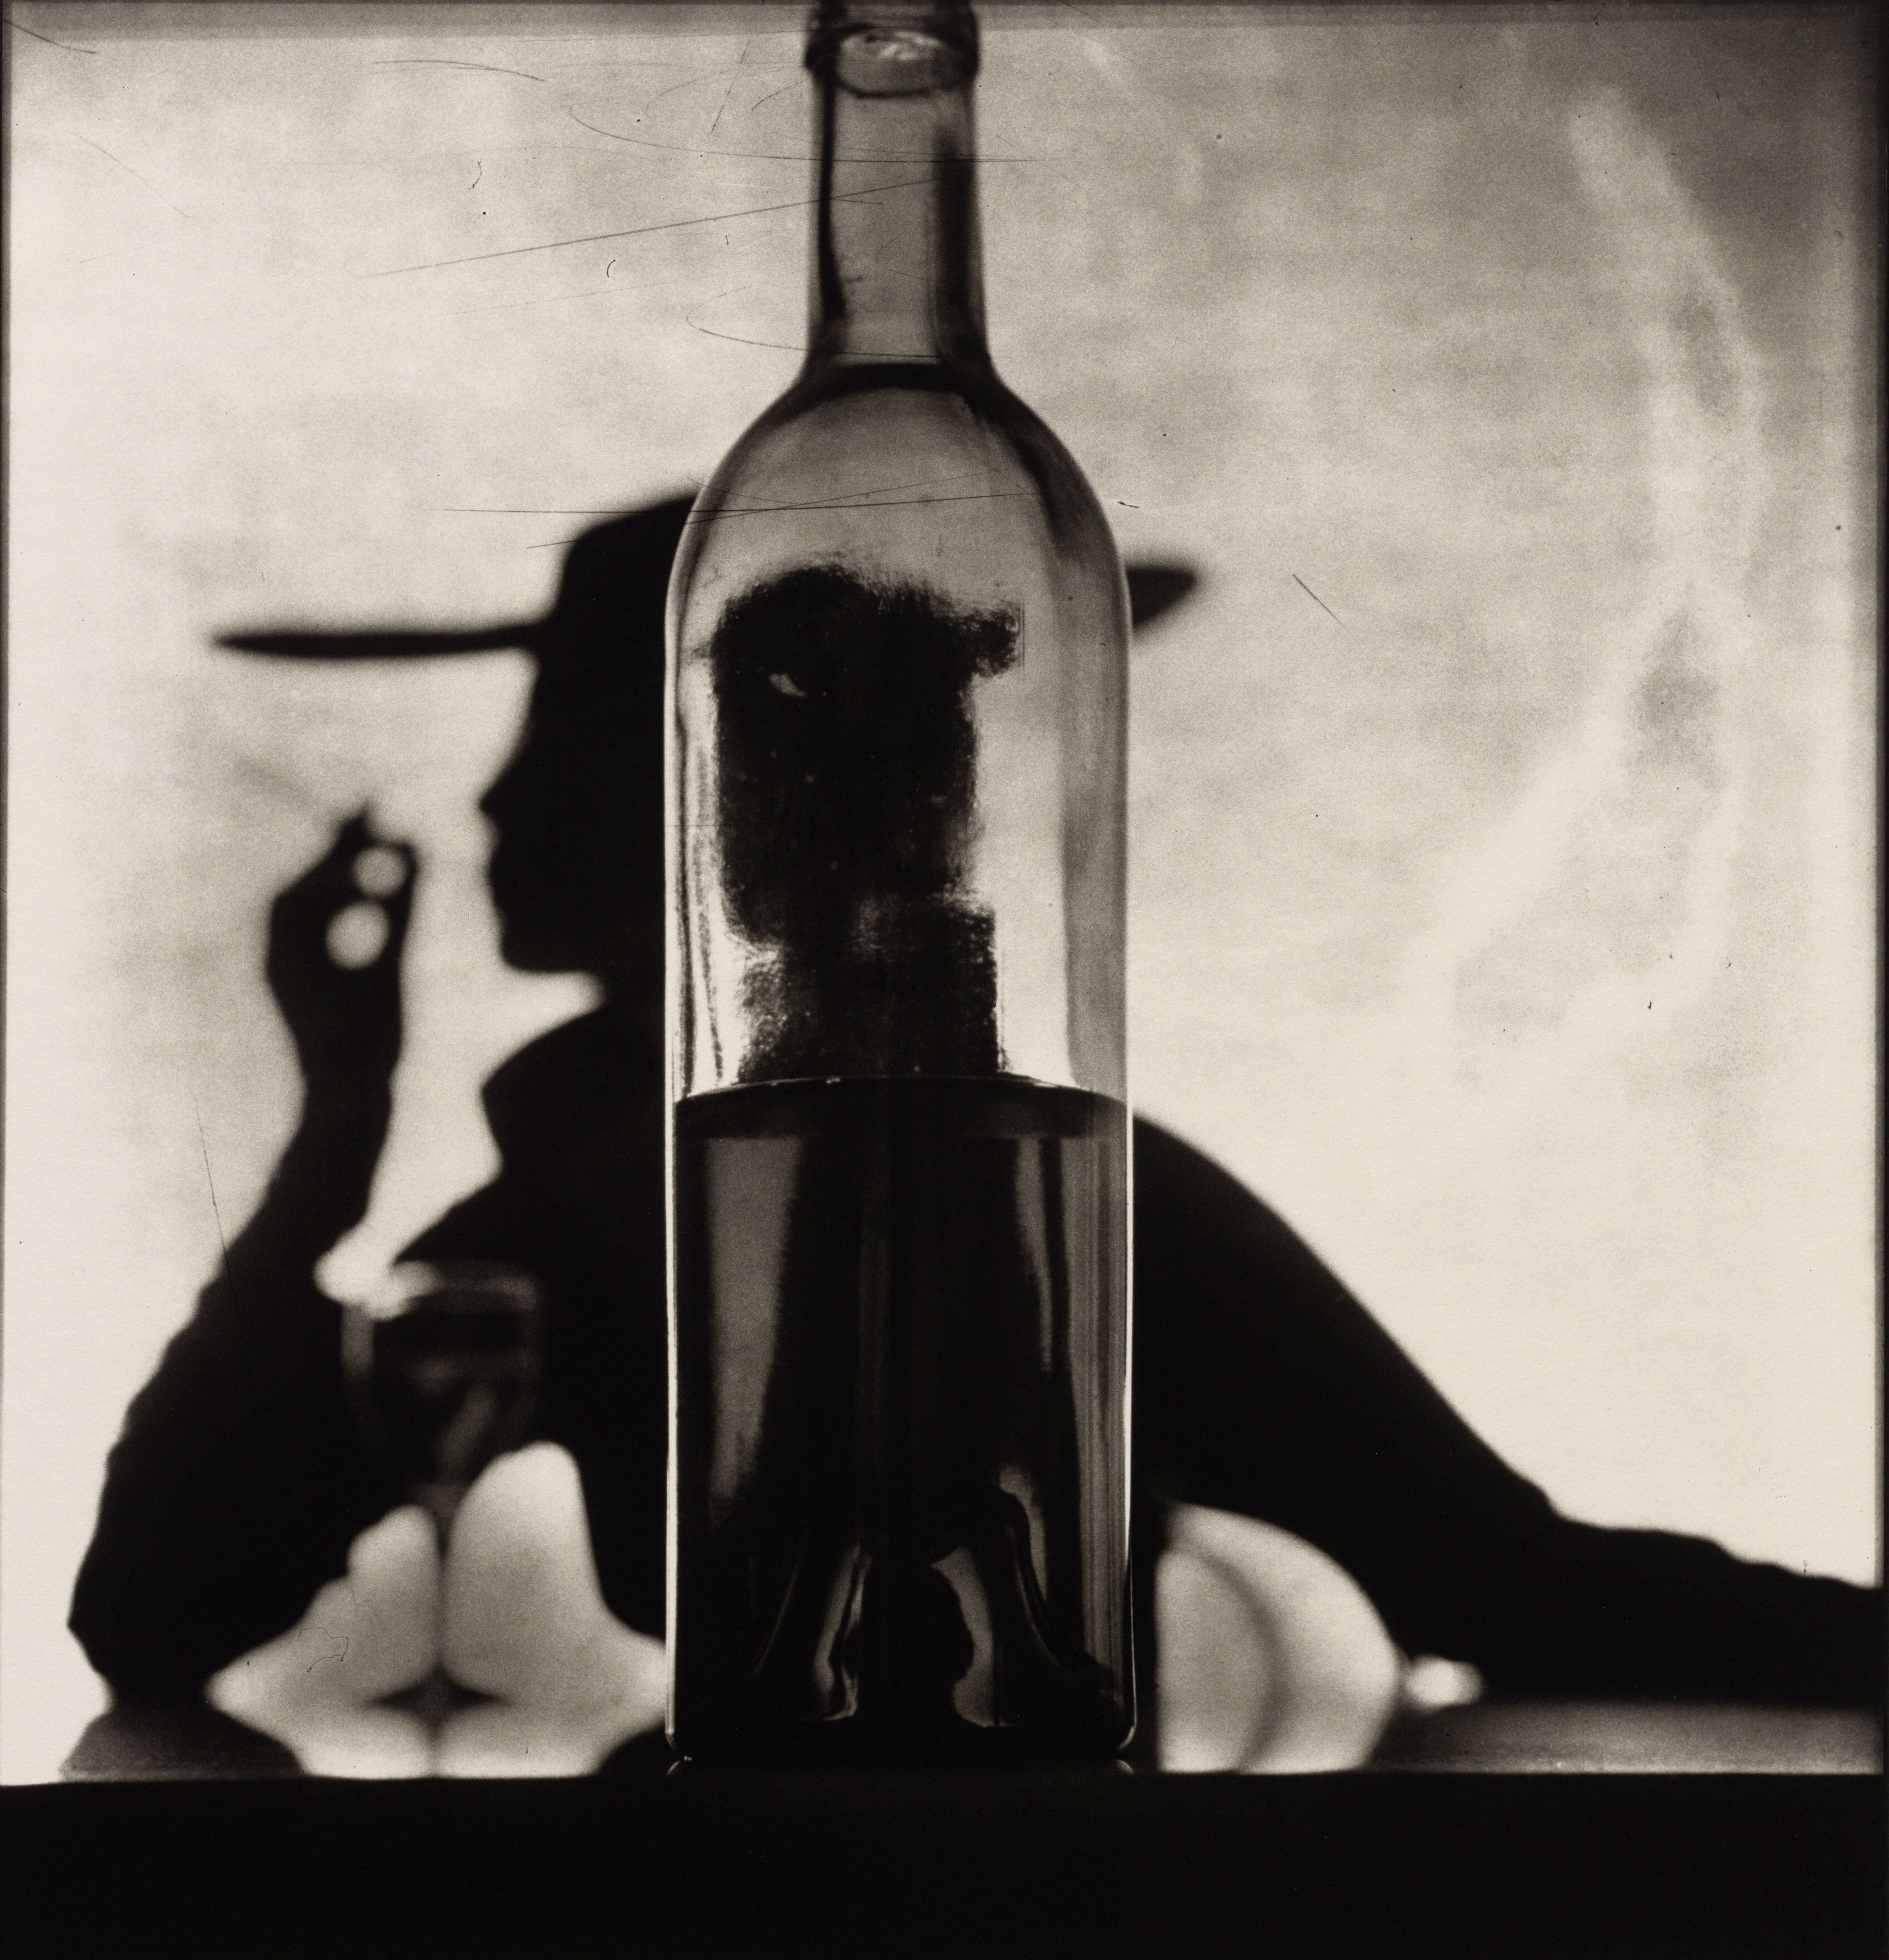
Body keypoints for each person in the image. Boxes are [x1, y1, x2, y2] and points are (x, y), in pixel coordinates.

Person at [68, 499, 1882, 1775]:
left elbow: (1503, 1582)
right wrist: (332, 1123)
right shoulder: (564, 1187)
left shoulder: (1047, 1183)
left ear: (731, 808)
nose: (490, 794)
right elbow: (149, 1607)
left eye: (570, 730)